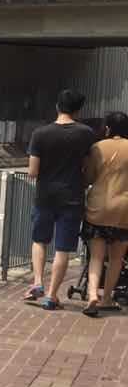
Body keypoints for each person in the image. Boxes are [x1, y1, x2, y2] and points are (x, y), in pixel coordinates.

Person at [24, 88, 96, 310]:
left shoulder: (40, 133)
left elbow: (33, 171)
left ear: (57, 106)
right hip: (72, 197)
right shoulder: (86, 133)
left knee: (39, 240)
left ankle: (38, 282)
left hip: (45, 196)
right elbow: (88, 168)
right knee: (62, 249)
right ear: (78, 110)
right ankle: (52, 296)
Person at [81, 110, 128, 316]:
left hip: (98, 208)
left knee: (96, 257)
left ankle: (92, 294)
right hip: (124, 210)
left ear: (107, 128)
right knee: (117, 259)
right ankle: (107, 298)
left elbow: (88, 178)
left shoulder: (97, 147)